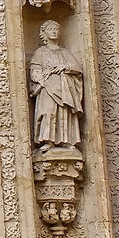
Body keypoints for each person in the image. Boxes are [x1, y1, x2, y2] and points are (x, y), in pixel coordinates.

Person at [29, 19, 84, 153]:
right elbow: (35, 69)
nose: (54, 32)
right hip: (47, 87)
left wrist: (65, 67)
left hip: (64, 87)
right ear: (44, 33)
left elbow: (77, 69)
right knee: (48, 112)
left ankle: (67, 141)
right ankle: (48, 140)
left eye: (56, 29)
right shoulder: (40, 52)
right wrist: (39, 77)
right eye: (50, 29)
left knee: (64, 112)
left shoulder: (65, 53)